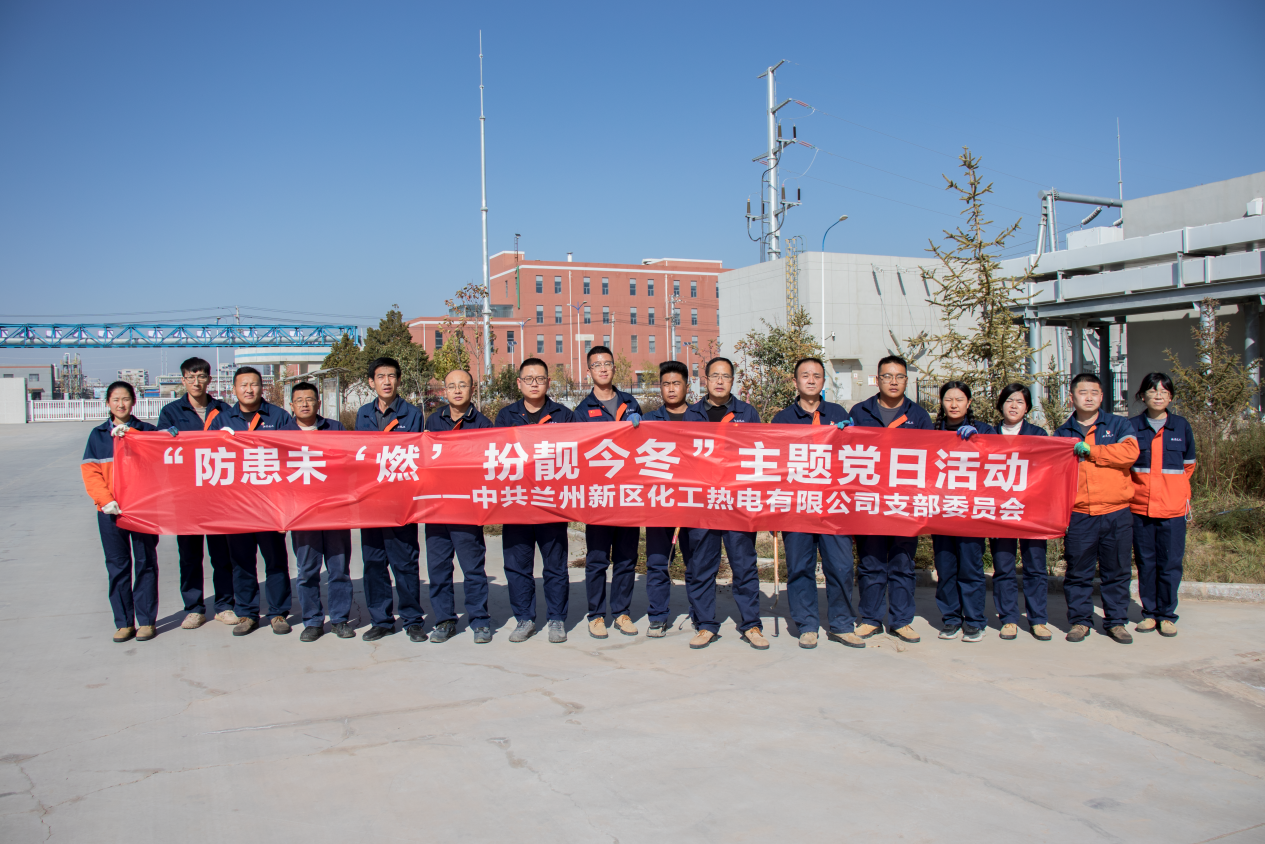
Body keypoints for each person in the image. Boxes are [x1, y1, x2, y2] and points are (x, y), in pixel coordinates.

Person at [771, 358, 865, 650]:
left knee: (841, 567)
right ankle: (807, 625)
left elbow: (855, 459)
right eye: (805, 375)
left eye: (817, 376)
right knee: (800, 567)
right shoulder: (782, 419)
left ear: (824, 381)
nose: (811, 380)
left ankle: (841, 624)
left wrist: (850, 435)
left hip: (834, 507)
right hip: (797, 507)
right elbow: (773, 466)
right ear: (795, 381)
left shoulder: (839, 414)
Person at [681, 356, 767, 650]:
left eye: (726, 376)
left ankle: (751, 624)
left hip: (738, 503)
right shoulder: (692, 415)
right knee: (702, 566)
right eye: (715, 376)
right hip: (703, 504)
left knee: (744, 565)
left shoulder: (747, 413)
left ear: (733, 381)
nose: (720, 381)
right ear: (705, 380)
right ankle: (705, 624)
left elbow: (760, 455)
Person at [850, 355, 934, 643]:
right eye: (887, 376)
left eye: (899, 376)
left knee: (902, 563)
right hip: (870, 502)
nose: (893, 381)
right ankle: (871, 619)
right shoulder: (860, 412)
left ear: (906, 380)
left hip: (905, 504)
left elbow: (931, 458)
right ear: (878, 380)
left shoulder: (919, 416)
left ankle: (901, 621)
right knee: (870, 562)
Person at [208, 366, 296, 636]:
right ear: (234, 389)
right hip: (237, 506)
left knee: (276, 561)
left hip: (271, 504)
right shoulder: (222, 421)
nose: (249, 389)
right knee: (242, 562)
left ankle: (278, 612)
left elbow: (294, 455)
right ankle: (247, 613)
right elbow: (207, 457)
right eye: (243, 385)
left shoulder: (279, 417)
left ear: (262, 387)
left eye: (254, 384)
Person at [494, 358, 576, 644]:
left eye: (540, 379)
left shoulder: (564, 415)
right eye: (528, 379)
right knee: (517, 566)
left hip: (551, 504)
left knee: (555, 565)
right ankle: (524, 619)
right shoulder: (506, 416)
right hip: (516, 504)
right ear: (519, 383)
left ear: (548, 382)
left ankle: (556, 619)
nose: (534, 384)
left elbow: (575, 454)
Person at [1054, 373, 1140, 644]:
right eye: (1083, 392)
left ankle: (1116, 622)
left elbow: (1129, 454)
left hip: (1116, 511)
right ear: (1072, 397)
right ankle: (1080, 621)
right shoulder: (1063, 433)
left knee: (1117, 571)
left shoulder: (1118, 424)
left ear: (1102, 396)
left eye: (1094, 392)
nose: (1088, 397)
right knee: (1078, 572)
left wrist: (1093, 451)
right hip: (1080, 514)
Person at [156, 356, 236, 630]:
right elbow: (160, 449)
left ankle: (224, 605)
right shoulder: (171, 412)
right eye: (191, 377)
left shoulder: (223, 410)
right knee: (189, 556)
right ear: (183, 380)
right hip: (186, 495)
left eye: (201, 376)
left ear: (209, 379)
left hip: (217, 494)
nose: (196, 382)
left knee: (221, 554)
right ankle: (193, 609)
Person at [573, 346, 644, 639]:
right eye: (596, 364)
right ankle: (597, 615)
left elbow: (643, 446)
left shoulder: (631, 403)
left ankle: (622, 612)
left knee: (626, 558)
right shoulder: (582, 411)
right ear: (589, 370)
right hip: (599, 496)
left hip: (628, 495)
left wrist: (641, 427)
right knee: (598, 559)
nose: (603, 368)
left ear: (614, 368)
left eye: (607, 363)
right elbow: (578, 454)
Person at [354, 356, 426, 643]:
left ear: (398, 380)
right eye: (381, 376)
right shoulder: (363, 414)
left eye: (392, 376)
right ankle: (381, 620)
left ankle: (412, 620)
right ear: (371, 382)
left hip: (400, 502)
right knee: (373, 563)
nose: (386, 382)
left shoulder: (412, 414)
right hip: (371, 502)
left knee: (405, 562)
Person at [81, 381, 160, 643]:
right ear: (108, 403)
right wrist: (105, 501)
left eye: (125, 399)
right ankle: (124, 623)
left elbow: (160, 463)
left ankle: (146, 621)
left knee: (145, 563)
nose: (121, 404)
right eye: (115, 399)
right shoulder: (98, 435)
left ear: (133, 402)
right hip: (110, 511)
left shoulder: (147, 431)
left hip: (142, 510)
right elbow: (91, 471)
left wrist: (133, 435)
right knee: (117, 565)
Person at [423, 368, 495, 644]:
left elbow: (488, 466)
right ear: (444, 391)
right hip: (437, 507)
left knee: (473, 568)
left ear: (472, 389)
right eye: (451, 385)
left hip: (467, 506)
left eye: (462, 385)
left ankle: (480, 621)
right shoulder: (433, 421)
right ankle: (444, 620)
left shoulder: (483, 424)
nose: (456, 390)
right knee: (439, 569)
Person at [283, 382, 354, 642]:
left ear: (318, 403)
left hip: (335, 512)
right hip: (302, 514)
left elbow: (349, 464)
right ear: (291, 405)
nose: (305, 404)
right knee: (307, 571)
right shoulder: (281, 434)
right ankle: (312, 621)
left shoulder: (335, 429)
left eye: (310, 399)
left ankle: (339, 620)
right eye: (299, 400)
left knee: (339, 569)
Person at [1128, 372, 1196, 638]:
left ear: (1171, 397)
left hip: (1172, 508)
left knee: (1170, 563)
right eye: (1152, 390)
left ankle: (1167, 615)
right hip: (1140, 507)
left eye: (1164, 391)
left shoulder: (1181, 426)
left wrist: (1174, 491)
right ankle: (1149, 613)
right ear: (1142, 395)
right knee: (1146, 562)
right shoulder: (1131, 426)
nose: (1158, 395)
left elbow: (1188, 466)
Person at [930, 381, 995, 643]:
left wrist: (981, 441)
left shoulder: (984, 431)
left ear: (969, 403)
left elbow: (999, 460)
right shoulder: (932, 432)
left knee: (970, 568)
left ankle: (975, 621)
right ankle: (951, 619)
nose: (954, 404)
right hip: (942, 511)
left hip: (971, 512)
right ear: (942, 403)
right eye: (948, 399)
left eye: (959, 399)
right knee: (945, 568)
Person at [990, 383, 1052, 641]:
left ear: (1027, 408)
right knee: (1003, 566)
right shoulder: (989, 435)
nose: (1014, 406)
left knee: (1035, 566)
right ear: (1001, 404)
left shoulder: (1038, 434)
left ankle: (1038, 619)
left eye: (1020, 402)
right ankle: (1008, 619)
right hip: (1000, 511)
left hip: (1031, 511)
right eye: (1009, 400)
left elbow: (1049, 469)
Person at [641, 360, 694, 637]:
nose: (671, 389)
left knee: (695, 563)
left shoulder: (701, 419)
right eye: (665, 384)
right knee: (658, 561)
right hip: (659, 502)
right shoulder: (649, 420)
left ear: (687, 386)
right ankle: (658, 616)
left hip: (694, 502)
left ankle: (700, 615)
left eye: (676, 383)